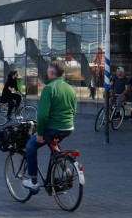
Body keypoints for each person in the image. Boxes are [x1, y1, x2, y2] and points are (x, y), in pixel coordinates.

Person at [23, 61, 77, 191]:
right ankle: (65, 169)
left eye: (48, 71)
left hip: (53, 127)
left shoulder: (49, 88)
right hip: (68, 127)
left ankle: (33, 182)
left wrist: (40, 133)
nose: (46, 73)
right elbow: (73, 110)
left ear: (51, 73)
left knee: (30, 146)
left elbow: (42, 115)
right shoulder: (70, 88)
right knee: (53, 144)